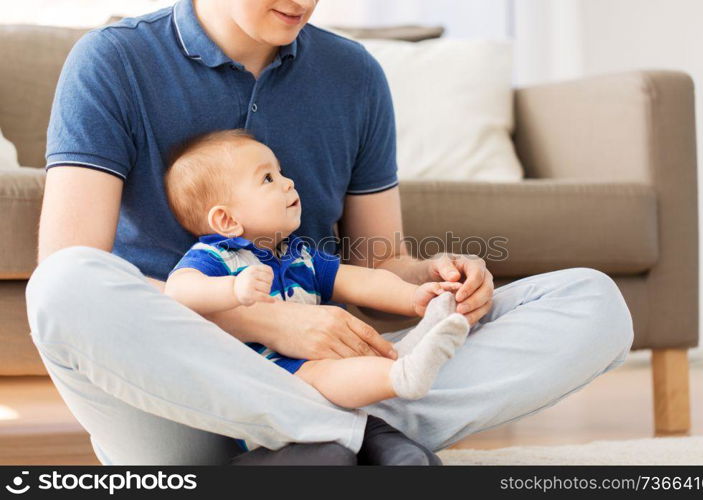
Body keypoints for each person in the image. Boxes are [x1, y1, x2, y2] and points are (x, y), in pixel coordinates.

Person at [25, 0, 635, 466]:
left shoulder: (353, 75)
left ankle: (313, 447)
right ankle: (361, 437)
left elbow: (383, 260)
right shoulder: (114, 60)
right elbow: (70, 264)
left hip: (323, 369)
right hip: (173, 391)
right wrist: (261, 319)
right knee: (63, 285)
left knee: (592, 301)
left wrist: (434, 281)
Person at [163, 129, 472, 437]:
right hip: (268, 382)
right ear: (227, 221)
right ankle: (401, 374)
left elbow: (360, 281)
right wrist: (232, 289)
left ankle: (404, 359)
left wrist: (414, 296)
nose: (288, 182)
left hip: (317, 363)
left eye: (280, 172)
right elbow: (177, 290)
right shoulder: (218, 257)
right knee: (323, 372)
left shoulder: (298, 253)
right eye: (267, 179)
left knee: (349, 362)